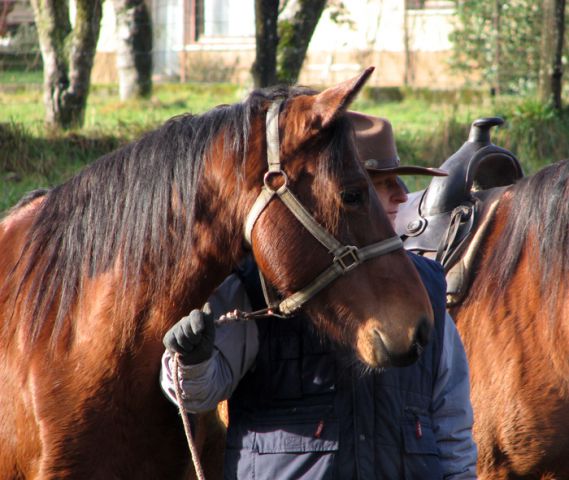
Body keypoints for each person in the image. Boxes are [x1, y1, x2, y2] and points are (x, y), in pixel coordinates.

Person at [160, 112, 477, 479]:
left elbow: (451, 422)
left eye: (399, 180)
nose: (403, 194)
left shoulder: (424, 285)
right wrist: (192, 360)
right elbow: (198, 394)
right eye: (381, 183)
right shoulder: (259, 285)